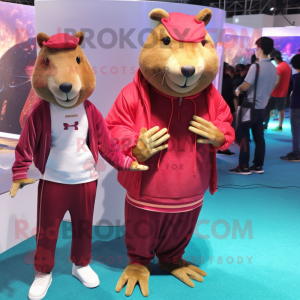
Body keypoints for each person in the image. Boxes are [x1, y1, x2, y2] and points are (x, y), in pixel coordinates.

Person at [229, 37, 277, 175]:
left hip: (249, 107)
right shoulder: (273, 68)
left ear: (260, 49)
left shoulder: (256, 66)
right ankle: (258, 166)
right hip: (262, 108)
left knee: (243, 135)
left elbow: (246, 85)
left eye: (256, 48)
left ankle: (243, 166)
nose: (255, 50)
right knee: (259, 138)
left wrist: (238, 89)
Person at [264, 49, 291, 131]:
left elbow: (277, 82)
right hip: (283, 92)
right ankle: (280, 126)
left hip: (276, 93)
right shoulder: (287, 66)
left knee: (267, 108)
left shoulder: (279, 67)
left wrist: (269, 90)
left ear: (275, 58)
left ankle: (265, 125)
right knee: (281, 109)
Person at [280, 54, 300, 162]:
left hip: (296, 106)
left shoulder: (296, 77)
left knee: (295, 130)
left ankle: (296, 153)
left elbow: (294, 94)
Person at [218, 63, 235, 155]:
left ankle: (222, 149)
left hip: (220, 108)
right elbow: (232, 96)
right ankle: (224, 149)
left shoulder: (218, 79)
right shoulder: (228, 80)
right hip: (228, 108)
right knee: (227, 129)